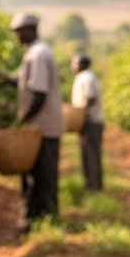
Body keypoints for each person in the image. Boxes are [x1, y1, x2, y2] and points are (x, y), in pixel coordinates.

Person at [12, 13, 62, 232]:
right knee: (36, 175)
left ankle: (42, 220)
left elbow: (39, 94)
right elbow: (26, 81)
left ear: (30, 30)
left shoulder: (39, 54)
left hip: (43, 127)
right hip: (39, 127)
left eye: (18, 32)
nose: (17, 37)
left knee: (41, 176)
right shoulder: (35, 52)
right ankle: (39, 218)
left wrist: (22, 119)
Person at [71, 53, 105, 191]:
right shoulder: (82, 77)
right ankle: (90, 184)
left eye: (74, 63)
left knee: (91, 155)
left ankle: (95, 186)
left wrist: (79, 113)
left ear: (81, 64)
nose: (72, 66)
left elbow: (90, 98)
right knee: (87, 154)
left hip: (91, 121)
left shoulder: (87, 78)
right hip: (87, 122)